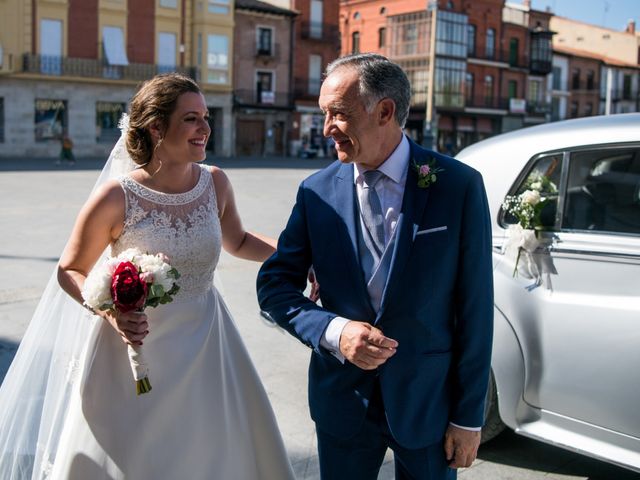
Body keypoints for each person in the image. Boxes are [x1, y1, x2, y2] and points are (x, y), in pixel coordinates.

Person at [0, 73, 295, 479]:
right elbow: (70, 269)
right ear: (157, 126)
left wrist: (299, 259)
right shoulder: (116, 197)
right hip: (133, 350)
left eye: (206, 117)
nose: (205, 128)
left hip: (207, 342)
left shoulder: (215, 182)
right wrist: (110, 314)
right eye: (191, 118)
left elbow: (239, 240)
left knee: (208, 451)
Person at [257, 53, 494, 479]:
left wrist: (468, 417)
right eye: (324, 114)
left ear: (385, 111)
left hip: (427, 408)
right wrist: (335, 331)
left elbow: (476, 308)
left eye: (339, 114)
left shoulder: (456, 186)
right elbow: (274, 286)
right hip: (342, 406)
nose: (326, 127)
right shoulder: (316, 192)